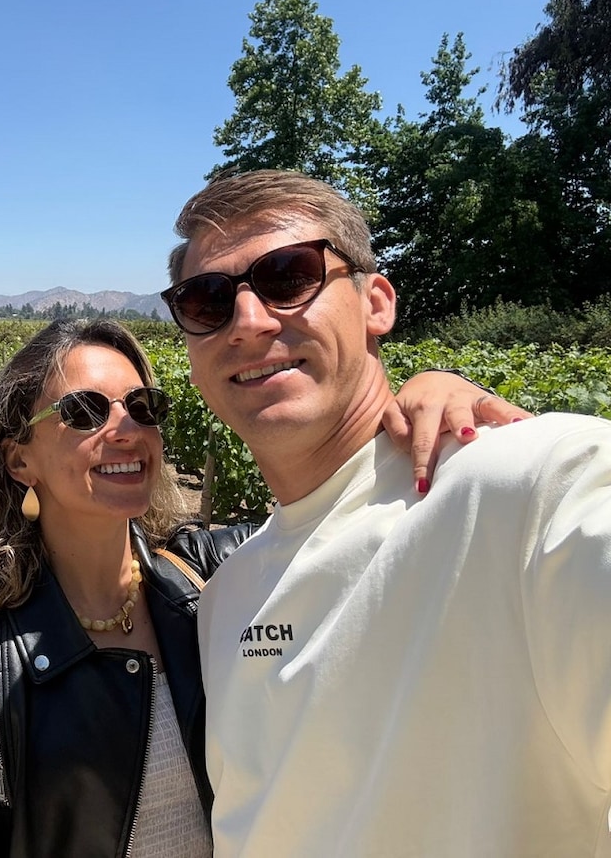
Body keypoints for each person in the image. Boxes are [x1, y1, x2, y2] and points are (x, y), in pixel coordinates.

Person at [0, 318, 522, 857]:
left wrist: (420, 399)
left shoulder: (216, 572)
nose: (127, 426)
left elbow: (352, 528)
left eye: (143, 405)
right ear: (19, 459)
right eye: (83, 411)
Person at [163, 168, 611, 856]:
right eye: (207, 301)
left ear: (376, 303)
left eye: (289, 276)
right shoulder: (227, 597)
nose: (248, 322)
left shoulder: (537, 487)